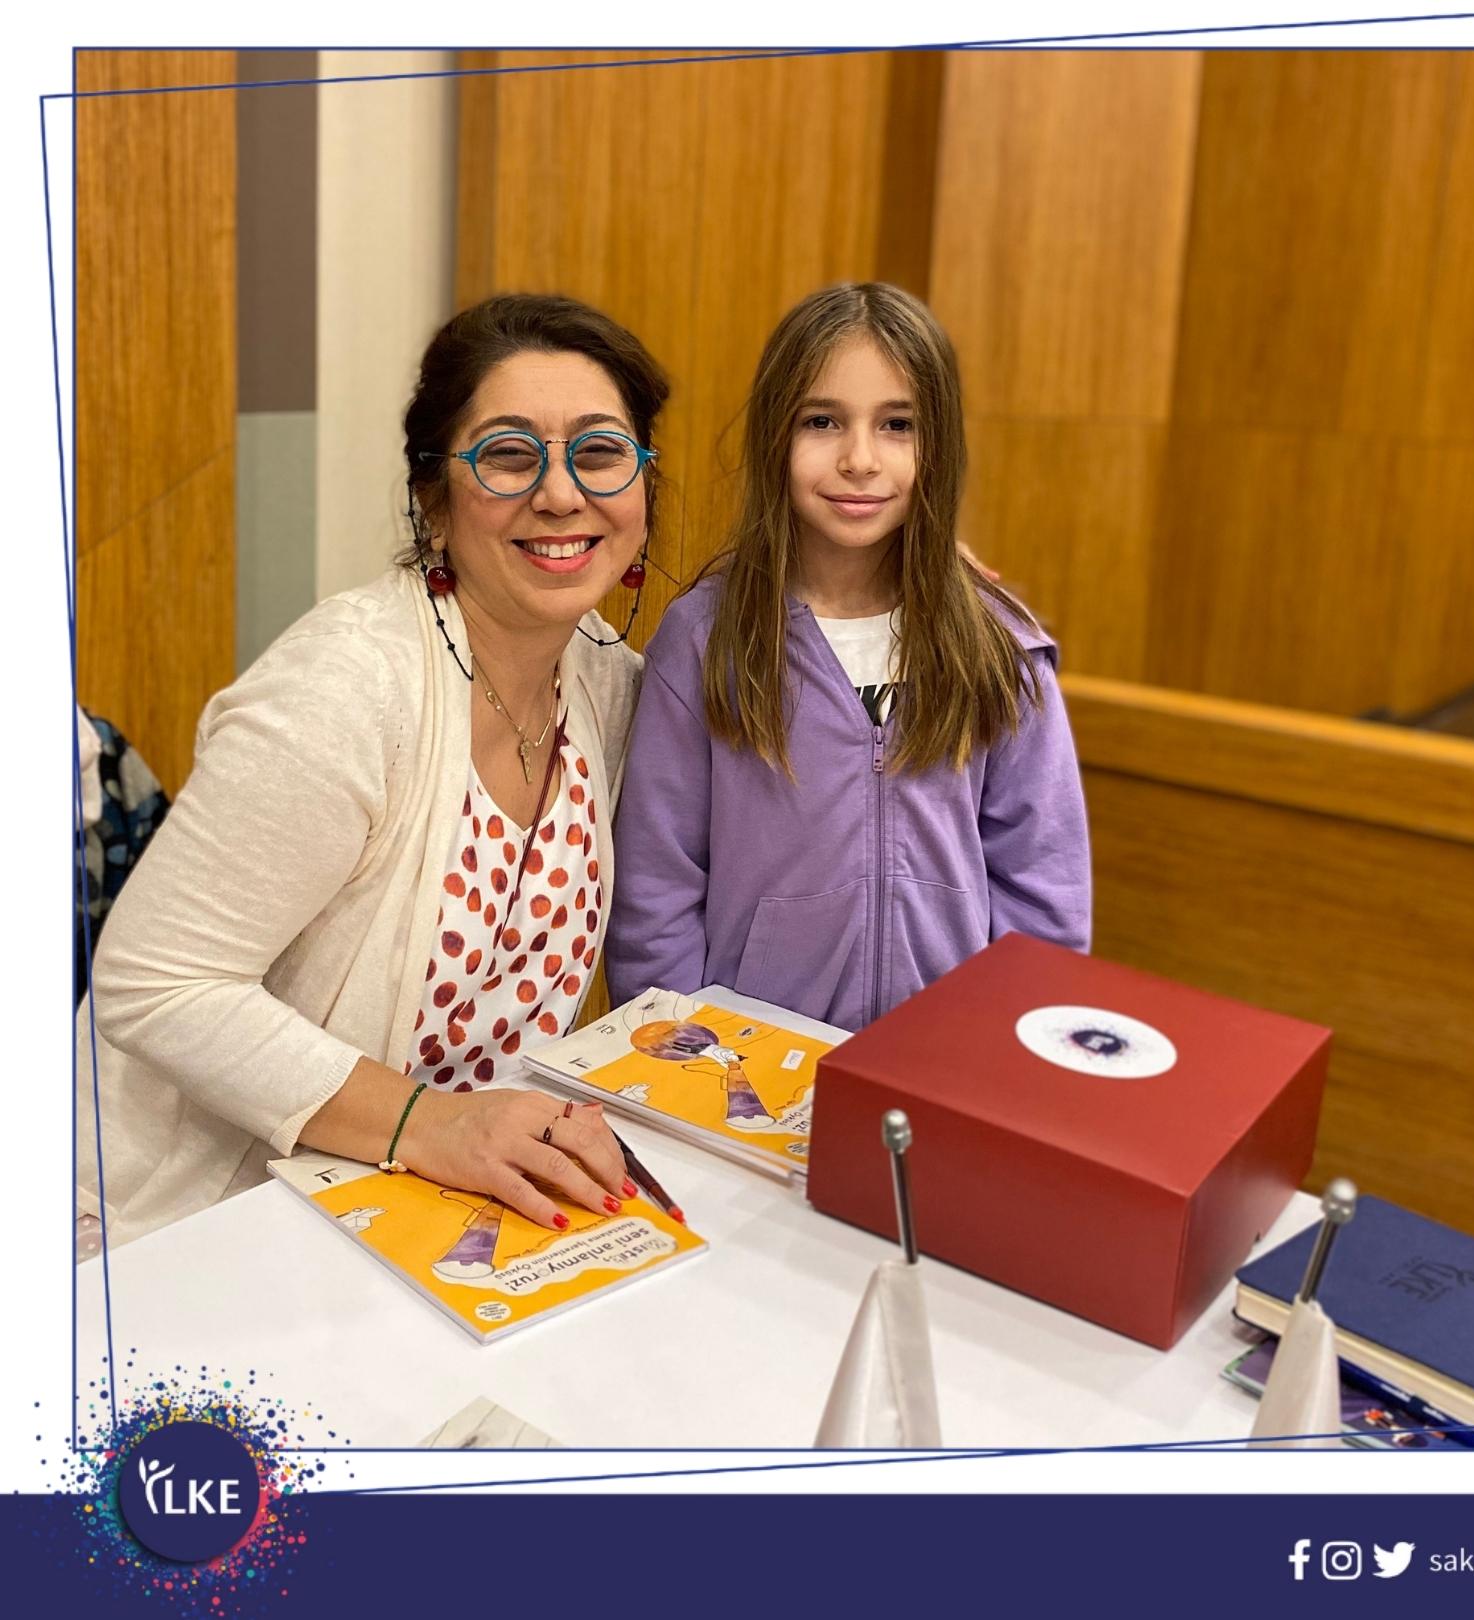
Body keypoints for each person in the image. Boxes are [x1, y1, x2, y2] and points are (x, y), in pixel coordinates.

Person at [77, 293, 665, 1247]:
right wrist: (428, 1125)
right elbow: (155, 981)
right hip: (194, 1230)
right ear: (434, 497)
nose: (561, 494)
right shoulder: (346, 688)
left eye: (599, 452)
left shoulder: (607, 682)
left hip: (426, 1216)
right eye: (507, 454)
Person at [606, 282, 1091, 1031]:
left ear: (939, 445)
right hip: (743, 1068)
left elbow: (1044, 894)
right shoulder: (705, 638)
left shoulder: (1001, 648)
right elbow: (657, 889)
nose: (860, 459)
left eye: (898, 424)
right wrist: (678, 1053)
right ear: (776, 436)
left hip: (939, 1063)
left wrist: (1001, 1060)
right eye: (822, 421)